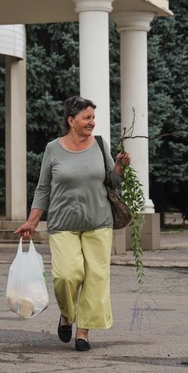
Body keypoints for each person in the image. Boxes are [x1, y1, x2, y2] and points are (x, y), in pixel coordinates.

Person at [14, 96, 130, 352]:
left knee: (95, 278)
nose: (92, 122)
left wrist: (120, 167)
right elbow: (43, 188)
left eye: (92, 117)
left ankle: (83, 331)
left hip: (99, 222)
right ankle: (66, 314)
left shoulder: (100, 145)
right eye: (86, 118)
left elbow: (112, 181)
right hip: (63, 223)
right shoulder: (53, 149)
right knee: (67, 275)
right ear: (71, 121)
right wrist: (32, 222)